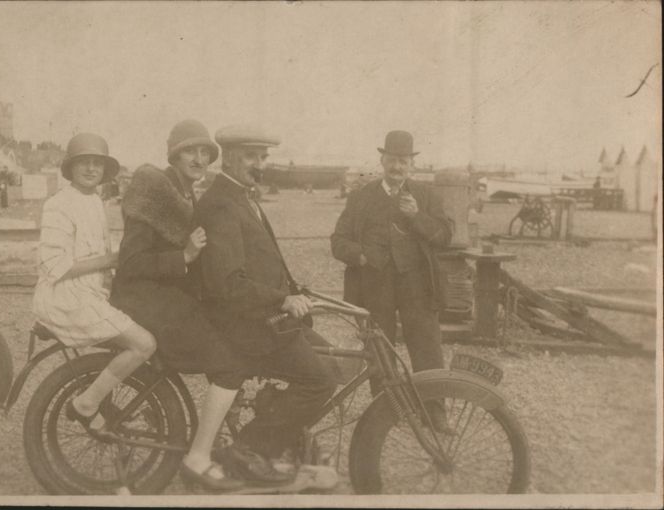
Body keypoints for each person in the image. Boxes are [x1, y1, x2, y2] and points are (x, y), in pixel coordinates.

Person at [109, 120, 246, 491]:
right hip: (142, 299)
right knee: (228, 364)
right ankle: (198, 457)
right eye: (190, 151)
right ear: (174, 154)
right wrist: (183, 256)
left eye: (205, 152)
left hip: (166, 297)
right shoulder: (153, 193)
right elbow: (130, 264)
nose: (199, 159)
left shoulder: (186, 194)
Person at [196, 124, 336, 481]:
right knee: (319, 381)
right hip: (246, 326)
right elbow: (228, 283)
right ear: (228, 158)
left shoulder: (242, 197)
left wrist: (295, 291)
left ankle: (285, 438)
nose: (259, 164)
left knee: (332, 362)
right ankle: (249, 447)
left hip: (265, 317)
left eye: (262, 157)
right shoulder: (221, 204)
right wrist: (283, 299)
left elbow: (262, 262)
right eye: (250, 157)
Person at [32, 132, 157, 436]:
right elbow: (53, 266)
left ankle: (107, 406)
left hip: (90, 294)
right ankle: (86, 404)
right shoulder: (59, 204)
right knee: (144, 344)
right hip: (65, 297)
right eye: (83, 162)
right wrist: (110, 260)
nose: (90, 169)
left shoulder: (95, 201)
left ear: (104, 169)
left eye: (97, 163)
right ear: (71, 167)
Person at [330, 130, 453, 431]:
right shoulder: (361, 197)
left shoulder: (425, 196)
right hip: (373, 285)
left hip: (416, 284)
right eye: (392, 160)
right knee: (379, 350)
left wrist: (417, 216)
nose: (397, 167)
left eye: (403, 161)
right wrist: (360, 256)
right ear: (382, 161)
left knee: (427, 346)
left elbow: (445, 237)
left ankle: (434, 411)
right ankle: (387, 412)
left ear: (411, 164)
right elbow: (338, 241)